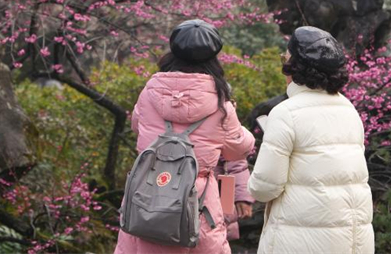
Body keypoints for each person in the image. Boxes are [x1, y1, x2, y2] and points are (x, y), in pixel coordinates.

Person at [114, 19, 255, 254]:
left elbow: (137, 127)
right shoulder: (220, 102)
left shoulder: (150, 91)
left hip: (148, 190)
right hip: (196, 199)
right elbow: (238, 149)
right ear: (213, 57)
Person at [248, 26, 374, 254]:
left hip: (301, 240)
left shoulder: (286, 112)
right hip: (351, 239)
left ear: (294, 66)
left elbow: (265, 187)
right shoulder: (348, 109)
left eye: (284, 59)